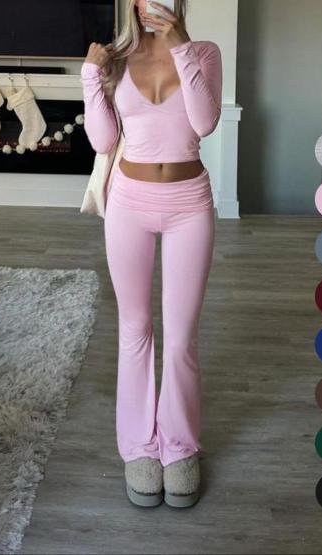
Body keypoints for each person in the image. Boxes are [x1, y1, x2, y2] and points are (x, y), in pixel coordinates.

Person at [80, 0, 222, 508]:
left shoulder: (204, 52)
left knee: (181, 337)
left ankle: (179, 446)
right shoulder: (116, 59)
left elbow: (204, 124)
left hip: (189, 205)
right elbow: (103, 140)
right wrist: (90, 77)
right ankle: (139, 445)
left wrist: (181, 47)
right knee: (135, 328)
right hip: (129, 203)